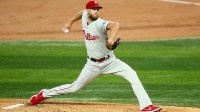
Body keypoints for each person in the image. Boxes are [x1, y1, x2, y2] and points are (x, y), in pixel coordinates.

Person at [29, 0, 162, 111]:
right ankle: (43, 94)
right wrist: (69, 22)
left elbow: (115, 24)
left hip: (111, 62)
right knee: (74, 87)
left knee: (132, 74)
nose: (96, 11)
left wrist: (110, 39)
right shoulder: (85, 16)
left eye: (98, 9)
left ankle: (146, 106)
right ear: (88, 11)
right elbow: (81, 12)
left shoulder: (100, 23)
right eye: (93, 9)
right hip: (92, 65)